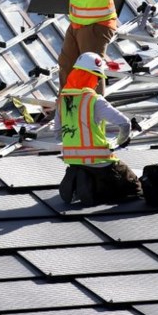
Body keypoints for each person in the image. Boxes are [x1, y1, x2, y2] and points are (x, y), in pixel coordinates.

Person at [56, 52, 139, 204]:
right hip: (101, 162)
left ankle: (82, 178)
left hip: (73, 160)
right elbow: (125, 123)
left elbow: (57, 134)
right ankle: (99, 188)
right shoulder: (94, 100)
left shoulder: (62, 100)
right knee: (136, 189)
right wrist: (120, 141)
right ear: (90, 77)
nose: (96, 83)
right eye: (97, 78)